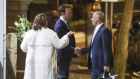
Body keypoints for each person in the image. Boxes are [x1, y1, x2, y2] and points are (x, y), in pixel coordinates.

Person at [20, 13, 75, 79]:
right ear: (45, 22)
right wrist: (66, 36)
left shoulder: (29, 33)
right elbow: (59, 44)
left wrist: (23, 38)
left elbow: (23, 48)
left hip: (33, 63)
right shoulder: (50, 33)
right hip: (45, 64)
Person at [75, 11, 113, 79]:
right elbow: (91, 47)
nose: (91, 19)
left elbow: (107, 49)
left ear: (98, 19)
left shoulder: (104, 31)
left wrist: (106, 65)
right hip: (94, 64)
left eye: (93, 17)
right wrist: (81, 50)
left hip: (101, 65)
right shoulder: (96, 30)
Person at [54, 4, 76, 79]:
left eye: (71, 12)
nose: (71, 14)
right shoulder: (60, 25)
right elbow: (60, 44)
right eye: (69, 13)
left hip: (66, 56)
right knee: (62, 76)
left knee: (64, 76)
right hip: (62, 57)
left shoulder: (64, 22)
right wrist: (73, 50)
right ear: (62, 13)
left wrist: (74, 53)